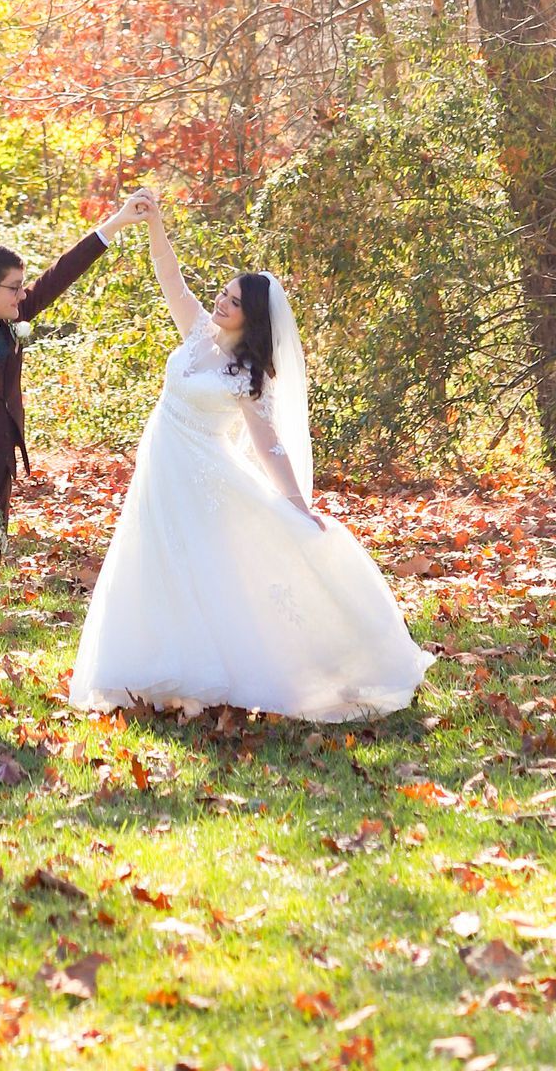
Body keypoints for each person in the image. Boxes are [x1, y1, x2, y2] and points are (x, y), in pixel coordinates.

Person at [69, 185, 432, 720]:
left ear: (252, 318)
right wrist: (152, 225)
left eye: (234, 302)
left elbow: (270, 445)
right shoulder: (195, 332)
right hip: (160, 470)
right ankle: (153, 673)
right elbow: (170, 274)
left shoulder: (248, 375)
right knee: (153, 560)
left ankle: (229, 671)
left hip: (203, 477)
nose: (221, 302)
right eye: (223, 293)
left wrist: (295, 502)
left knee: (205, 569)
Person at [0, 191, 153, 732]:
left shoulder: (8, 317)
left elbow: (57, 279)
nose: (24, 295)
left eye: (21, 287)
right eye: (14, 287)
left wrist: (113, 224)